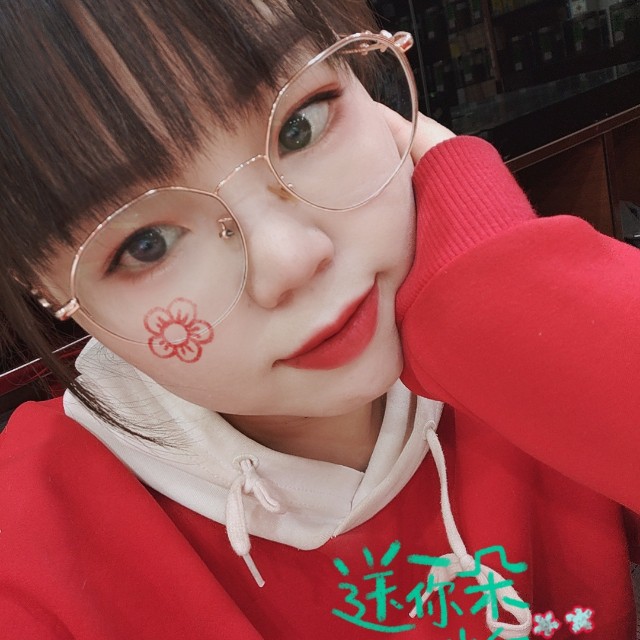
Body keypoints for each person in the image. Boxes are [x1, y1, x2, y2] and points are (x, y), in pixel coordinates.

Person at [0, 1, 638, 638]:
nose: (293, 259)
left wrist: (525, 306)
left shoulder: (534, 323)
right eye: (148, 245)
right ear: (42, 289)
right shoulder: (32, 556)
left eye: (300, 125)